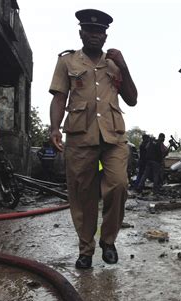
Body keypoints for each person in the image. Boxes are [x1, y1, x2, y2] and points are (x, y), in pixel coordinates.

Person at [48, 9, 138, 269]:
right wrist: (54, 128)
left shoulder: (114, 65)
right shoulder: (67, 62)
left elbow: (132, 99)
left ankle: (108, 241)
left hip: (114, 136)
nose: (95, 35)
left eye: (99, 31)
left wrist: (124, 66)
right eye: (90, 30)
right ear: (81, 33)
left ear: (106, 35)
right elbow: (58, 97)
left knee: (119, 184)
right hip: (79, 135)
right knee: (82, 194)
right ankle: (86, 250)